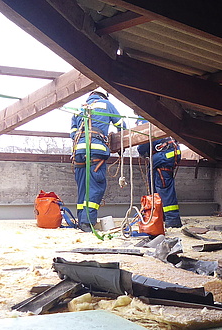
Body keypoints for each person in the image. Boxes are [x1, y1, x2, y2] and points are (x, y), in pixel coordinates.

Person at [70, 88, 126, 232]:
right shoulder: (106, 104)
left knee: (83, 187)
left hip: (79, 152)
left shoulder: (79, 108)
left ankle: (81, 221)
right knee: (95, 187)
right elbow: (121, 126)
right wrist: (120, 144)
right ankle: (87, 223)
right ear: (104, 96)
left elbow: (72, 133)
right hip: (96, 151)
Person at [137, 136, 183, 228]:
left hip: (163, 156)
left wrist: (142, 152)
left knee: (164, 190)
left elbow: (142, 146)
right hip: (168, 154)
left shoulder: (148, 128)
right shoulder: (163, 131)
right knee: (157, 188)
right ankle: (160, 217)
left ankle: (173, 221)